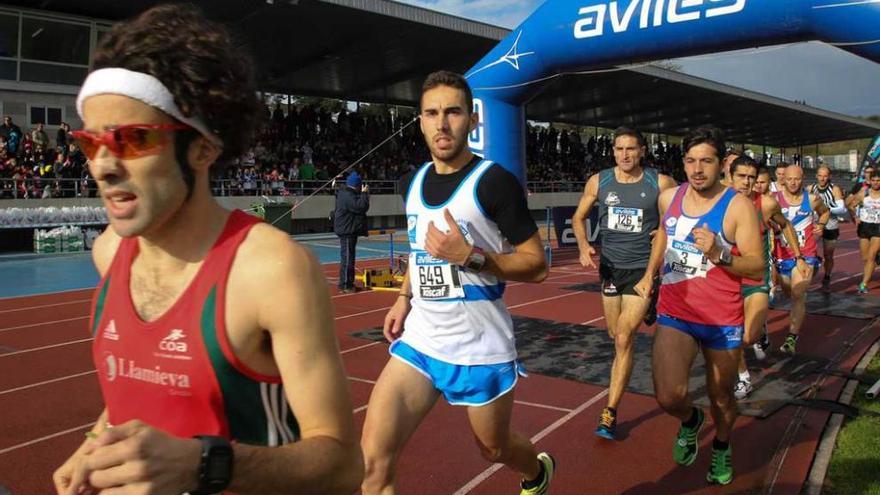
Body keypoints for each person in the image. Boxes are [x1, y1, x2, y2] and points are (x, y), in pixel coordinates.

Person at [52, 6, 362, 495]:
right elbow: (142, 393)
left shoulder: (271, 271)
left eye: (132, 139)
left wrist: (204, 463)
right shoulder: (110, 253)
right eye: (91, 143)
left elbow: (343, 467)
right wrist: (96, 442)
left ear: (203, 148)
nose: (103, 167)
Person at [360, 71, 554, 495]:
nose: (442, 123)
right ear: (421, 121)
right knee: (373, 462)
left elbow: (537, 265)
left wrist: (471, 257)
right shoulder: (412, 182)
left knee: (494, 449)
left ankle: (535, 473)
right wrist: (403, 298)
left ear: (472, 120)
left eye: (453, 112)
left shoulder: (494, 182)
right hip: (422, 343)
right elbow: (419, 249)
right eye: (432, 113)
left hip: (479, 347)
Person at [643, 125, 764, 485]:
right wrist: (651, 272)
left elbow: (757, 266)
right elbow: (664, 232)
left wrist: (719, 252)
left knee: (722, 397)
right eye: (691, 161)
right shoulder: (669, 198)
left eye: (706, 161)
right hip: (676, 311)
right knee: (668, 396)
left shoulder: (738, 207)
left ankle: (722, 445)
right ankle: (690, 420)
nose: (697, 169)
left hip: (720, 317)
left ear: (721, 164)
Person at [572, 126, 676, 439]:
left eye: (631, 149)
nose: (625, 155)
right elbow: (578, 217)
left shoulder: (659, 182)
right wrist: (581, 245)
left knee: (623, 338)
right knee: (613, 331)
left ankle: (610, 412)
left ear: (642, 150)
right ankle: (649, 306)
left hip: (642, 270)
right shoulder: (599, 181)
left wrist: (664, 232)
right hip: (610, 269)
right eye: (619, 149)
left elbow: (678, 216)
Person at [728, 158, 803, 399]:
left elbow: (786, 225)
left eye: (752, 178)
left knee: (748, 335)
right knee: (733, 333)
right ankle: (743, 377)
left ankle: (759, 331)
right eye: (741, 176)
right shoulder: (719, 202)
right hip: (727, 280)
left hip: (755, 277)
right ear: (730, 177)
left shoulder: (766, 204)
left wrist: (798, 256)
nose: (747, 182)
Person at [773, 165, 830, 355]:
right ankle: (799, 306)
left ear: (802, 178)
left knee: (797, 293)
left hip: (807, 256)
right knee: (790, 292)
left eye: (796, 179)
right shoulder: (774, 201)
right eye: (789, 179)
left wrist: (821, 225)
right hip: (783, 256)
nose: (792, 183)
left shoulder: (812, 199)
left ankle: (791, 338)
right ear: (783, 179)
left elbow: (825, 211)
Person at [810, 165, 847, 288]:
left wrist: (826, 209)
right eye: (820, 175)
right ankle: (813, 266)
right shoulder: (811, 188)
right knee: (810, 252)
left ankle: (827, 275)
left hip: (831, 225)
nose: (822, 178)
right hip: (815, 225)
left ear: (829, 177)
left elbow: (841, 209)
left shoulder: (834, 189)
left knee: (828, 254)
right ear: (816, 176)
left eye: (825, 176)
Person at [334, 171, 370, 293]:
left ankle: (349, 282)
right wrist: (365, 194)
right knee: (348, 258)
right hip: (347, 230)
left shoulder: (345, 193)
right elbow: (361, 207)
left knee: (349, 257)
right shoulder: (348, 196)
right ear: (357, 185)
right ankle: (345, 285)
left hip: (348, 229)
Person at [845, 171, 880, 294]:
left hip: (878, 228)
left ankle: (864, 283)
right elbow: (849, 204)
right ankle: (877, 260)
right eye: (874, 180)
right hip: (865, 226)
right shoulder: (864, 193)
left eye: (878, 180)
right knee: (865, 258)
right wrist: (855, 216)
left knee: (871, 256)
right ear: (870, 181)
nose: (876, 183)